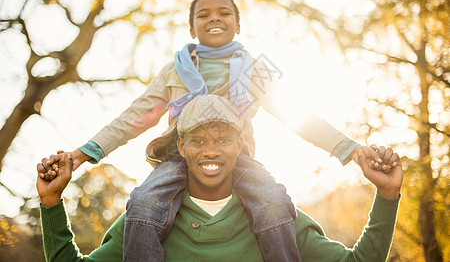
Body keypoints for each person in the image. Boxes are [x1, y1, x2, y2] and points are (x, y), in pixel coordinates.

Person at [38, 0, 395, 261]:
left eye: (225, 12)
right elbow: (134, 117)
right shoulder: (175, 70)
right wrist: (83, 154)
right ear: (192, 27)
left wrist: (351, 149)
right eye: (204, 13)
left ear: (238, 24)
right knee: (144, 202)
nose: (215, 18)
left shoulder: (256, 71)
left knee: (272, 200)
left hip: (240, 161)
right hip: (178, 161)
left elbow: (300, 117)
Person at [37, 94, 403, 262]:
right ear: (181, 147)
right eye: (198, 140)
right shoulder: (145, 220)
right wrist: (51, 204)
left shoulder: (274, 216)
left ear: (240, 145)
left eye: (223, 139)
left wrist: (386, 196)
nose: (210, 150)